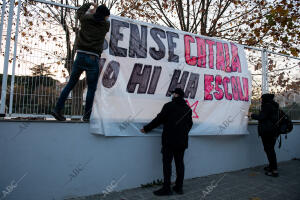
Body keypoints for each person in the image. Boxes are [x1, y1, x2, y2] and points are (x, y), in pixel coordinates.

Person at [51, 3, 110, 122]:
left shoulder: (86, 19)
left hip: (80, 55)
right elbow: (104, 19)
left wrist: (91, 5)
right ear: (104, 16)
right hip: (93, 58)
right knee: (91, 88)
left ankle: (57, 109)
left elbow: (79, 12)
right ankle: (87, 116)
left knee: (70, 84)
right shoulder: (105, 25)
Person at [140, 88, 193, 196]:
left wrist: (146, 128)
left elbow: (158, 120)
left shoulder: (169, 106)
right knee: (180, 164)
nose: (172, 95)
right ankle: (179, 188)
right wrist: (182, 133)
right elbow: (190, 125)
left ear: (176, 95)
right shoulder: (188, 109)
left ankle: (167, 189)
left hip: (169, 141)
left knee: (167, 164)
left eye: (173, 93)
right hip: (182, 141)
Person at [250, 93, 280, 177]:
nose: (261, 100)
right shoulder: (274, 106)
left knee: (269, 150)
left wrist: (251, 115)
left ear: (265, 99)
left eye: (262, 99)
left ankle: (274, 170)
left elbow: (261, 117)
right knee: (270, 150)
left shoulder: (267, 106)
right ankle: (272, 166)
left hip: (268, 132)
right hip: (273, 131)